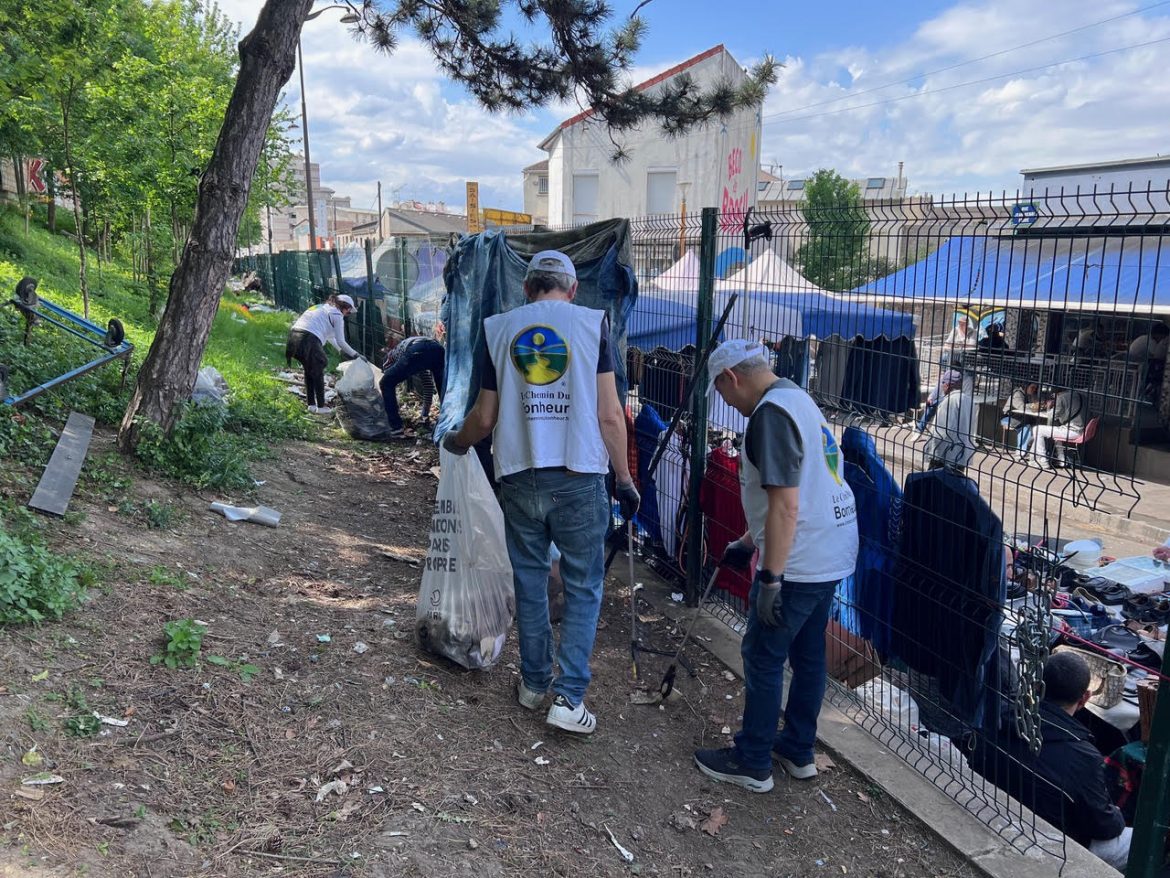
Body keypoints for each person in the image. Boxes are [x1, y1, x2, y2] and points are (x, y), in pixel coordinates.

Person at [442, 250, 639, 735]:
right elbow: (610, 415)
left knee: (529, 583)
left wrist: (455, 442)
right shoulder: (593, 324)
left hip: (519, 477)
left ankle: (533, 684)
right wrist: (626, 479)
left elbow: (484, 419)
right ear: (572, 290)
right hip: (578, 478)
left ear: (526, 289)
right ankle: (569, 698)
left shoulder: (500, 328)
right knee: (583, 587)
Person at [692, 340, 858, 792]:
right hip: (831, 549)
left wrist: (771, 578)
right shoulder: (797, 398)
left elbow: (786, 505)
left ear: (732, 378)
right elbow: (804, 484)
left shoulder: (769, 416)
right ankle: (798, 750)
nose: (726, 403)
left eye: (722, 393)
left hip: (800, 561)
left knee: (763, 656)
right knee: (808, 656)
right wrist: (749, 541)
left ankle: (752, 760)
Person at [969, 652, 1129, 870]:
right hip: (1054, 843)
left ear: (1036, 687)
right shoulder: (1084, 757)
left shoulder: (996, 716)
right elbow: (1104, 827)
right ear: (1085, 698)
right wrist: (1119, 816)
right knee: (1143, 840)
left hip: (994, 810)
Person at [286, 294, 361, 414]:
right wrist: (355, 355)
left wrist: (341, 351)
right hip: (308, 338)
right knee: (319, 365)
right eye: (348, 311)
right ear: (344, 307)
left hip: (293, 338)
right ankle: (321, 407)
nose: (347, 314)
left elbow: (331, 337)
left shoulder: (321, 308)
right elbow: (341, 341)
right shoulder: (337, 315)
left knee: (309, 369)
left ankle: (311, 404)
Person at [380, 335, 445, 438]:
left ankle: (396, 427)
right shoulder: (412, 357)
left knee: (385, 383)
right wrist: (424, 414)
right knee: (443, 390)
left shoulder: (389, 357)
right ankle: (448, 424)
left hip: (417, 349)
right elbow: (428, 385)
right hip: (437, 348)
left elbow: (388, 378)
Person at [923, 369, 974, 473]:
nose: (942, 386)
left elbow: (942, 431)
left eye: (943, 383)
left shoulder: (949, 401)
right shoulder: (969, 400)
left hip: (946, 456)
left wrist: (934, 453)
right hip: (962, 455)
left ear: (948, 385)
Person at [1032, 388, 1086, 470]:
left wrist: (1049, 407)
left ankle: (1042, 460)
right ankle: (1062, 460)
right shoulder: (1081, 395)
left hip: (1072, 431)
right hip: (1082, 430)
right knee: (1056, 432)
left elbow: (1052, 416)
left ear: (1056, 393)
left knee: (1037, 429)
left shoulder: (1061, 397)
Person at [1127, 322, 1169, 401]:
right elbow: (1157, 355)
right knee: (1153, 373)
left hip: (1135, 362)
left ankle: (1143, 392)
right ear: (1158, 334)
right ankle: (1144, 393)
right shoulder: (1151, 342)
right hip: (1135, 363)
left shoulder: (1145, 338)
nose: (1163, 340)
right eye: (1163, 337)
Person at [1000, 382, 1040, 458]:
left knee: (1027, 426)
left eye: (1035, 388)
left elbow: (1035, 404)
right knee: (1028, 423)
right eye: (1032, 387)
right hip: (1008, 418)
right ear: (1026, 386)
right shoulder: (1018, 394)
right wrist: (1034, 405)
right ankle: (1023, 450)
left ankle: (1021, 451)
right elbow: (1021, 407)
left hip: (1020, 419)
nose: (1034, 390)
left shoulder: (1029, 395)